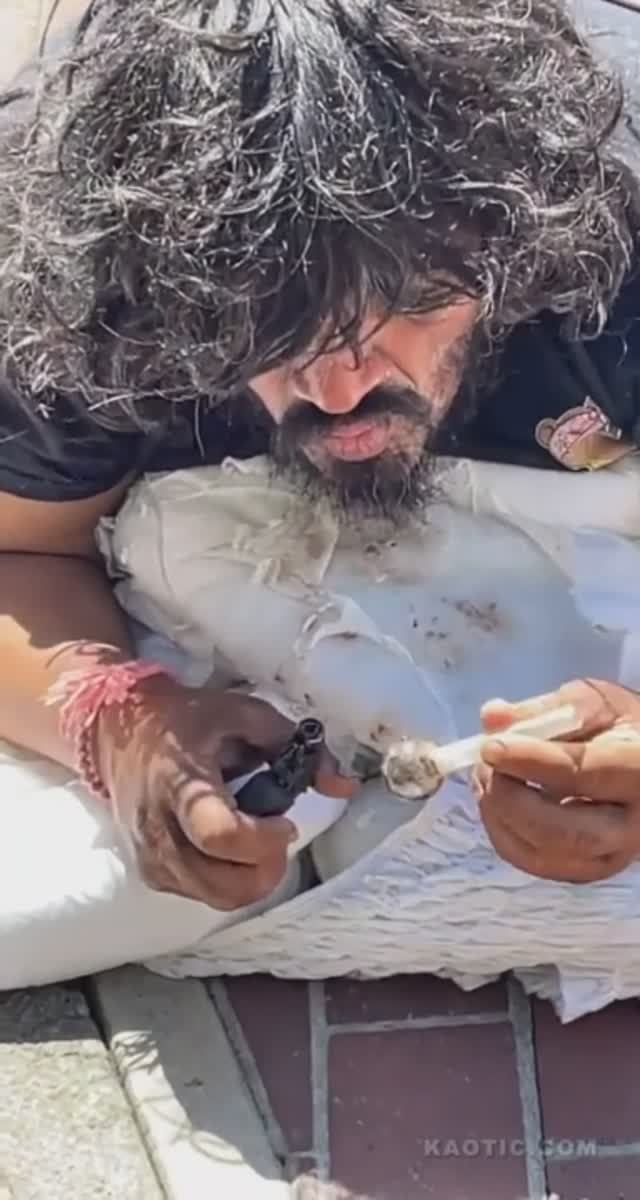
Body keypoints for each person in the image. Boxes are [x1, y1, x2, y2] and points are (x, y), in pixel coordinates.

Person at [2, 0, 640, 937]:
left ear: (506, 236)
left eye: (412, 301)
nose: (340, 393)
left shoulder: (610, 254)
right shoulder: (90, 283)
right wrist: (123, 724)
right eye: (262, 325)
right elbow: (23, 553)